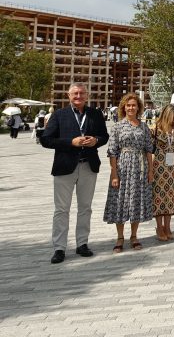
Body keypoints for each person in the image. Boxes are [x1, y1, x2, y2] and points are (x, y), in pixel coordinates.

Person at [41, 82, 109, 264]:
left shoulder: (95, 114)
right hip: (65, 167)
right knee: (61, 209)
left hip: (88, 166)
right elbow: (46, 140)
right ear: (69, 96)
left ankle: (82, 244)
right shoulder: (59, 115)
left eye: (82, 93)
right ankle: (59, 248)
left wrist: (96, 140)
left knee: (85, 208)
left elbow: (104, 136)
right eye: (75, 93)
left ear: (87, 95)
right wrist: (71, 142)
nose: (79, 96)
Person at [103, 93, 153, 252]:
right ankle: (120, 237)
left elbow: (148, 150)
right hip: (122, 168)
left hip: (140, 168)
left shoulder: (144, 127)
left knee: (136, 201)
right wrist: (114, 174)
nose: (131, 108)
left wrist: (150, 171)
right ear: (123, 107)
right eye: (128, 105)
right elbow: (112, 152)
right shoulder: (117, 126)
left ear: (138, 108)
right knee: (120, 201)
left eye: (134, 105)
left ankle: (134, 236)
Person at [151, 104, 174, 241]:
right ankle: (159, 227)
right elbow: (148, 147)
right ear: (166, 114)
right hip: (158, 165)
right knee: (159, 196)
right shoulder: (155, 128)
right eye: (173, 115)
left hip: (173, 167)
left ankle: (168, 227)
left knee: (170, 196)